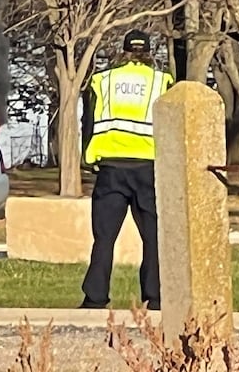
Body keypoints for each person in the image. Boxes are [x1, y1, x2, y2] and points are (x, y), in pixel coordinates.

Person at [79, 30, 173, 311]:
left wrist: (89, 157)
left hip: (110, 168)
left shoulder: (102, 81)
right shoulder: (162, 82)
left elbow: (89, 124)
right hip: (148, 168)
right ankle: (155, 298)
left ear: (123, 51)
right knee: (153, 237)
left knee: (104, 238)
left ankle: (95, 298)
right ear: (148, 52)